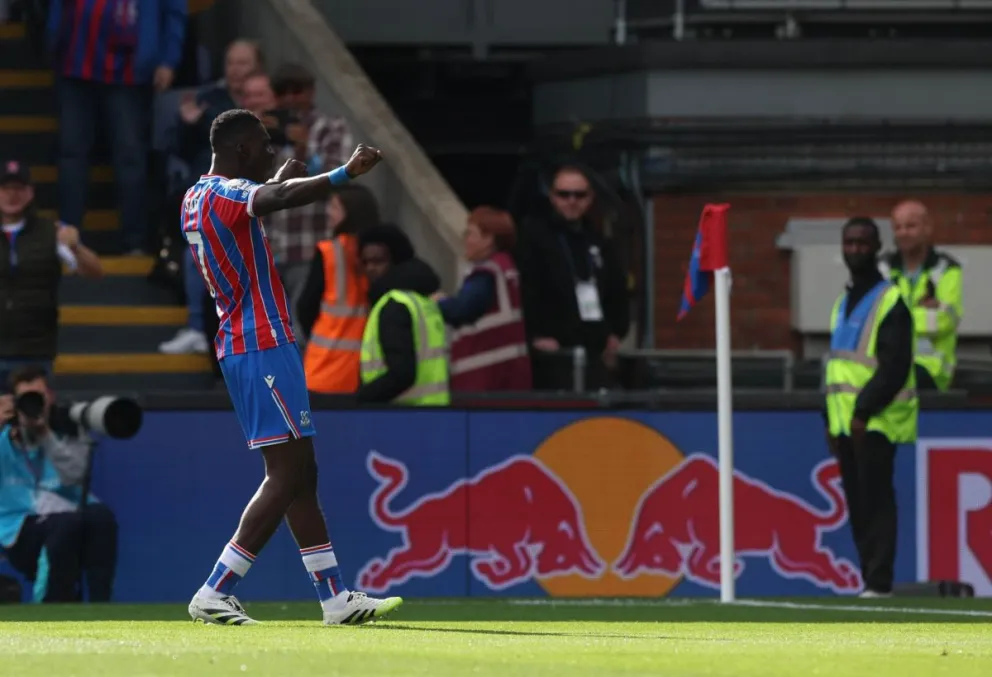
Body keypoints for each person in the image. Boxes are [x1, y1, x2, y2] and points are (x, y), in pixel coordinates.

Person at [181, 109, 401, 625]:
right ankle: (214, 589)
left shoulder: (195, 195)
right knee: (284, 474)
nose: (270, 153)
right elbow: (270, 199)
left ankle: (333, 599)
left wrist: (276, 182)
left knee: (303, 473)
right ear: (238, 151)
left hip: (249, 344)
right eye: (262, 146)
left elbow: (256, 206)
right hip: (261, 344)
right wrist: (344, 173)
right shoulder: (225, 192)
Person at [824, 217, 918, 598]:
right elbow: (835, 367)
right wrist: (831, 421)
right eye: (849, 242)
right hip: (846, 423)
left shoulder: (890, 300)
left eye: (863, 242)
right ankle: (869, 580)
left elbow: (895, 365)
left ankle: (879, 582)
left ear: (877, 247)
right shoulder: (842, 303)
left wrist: (863, 412)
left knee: (876, 499)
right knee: (858, 503)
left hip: (877, 421)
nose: (855, 249)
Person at [46, 0, 187, 255]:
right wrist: (52, 35)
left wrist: (168, 59)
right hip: (75, 61)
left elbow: (174, 10)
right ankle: (67, 237)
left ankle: (134, 241)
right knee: (71, 153)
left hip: (130, 71)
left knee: (130, 156)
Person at [0, 366, 118, 603]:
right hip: (18, 524)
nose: (33, 405)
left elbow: (75, 476)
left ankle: (101, 606)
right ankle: (49, 606)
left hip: (69, 515)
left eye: (38, 397)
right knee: (65, 525)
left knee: (102, 517)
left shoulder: (69, 428)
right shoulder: (4, 437)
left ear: (50, 397)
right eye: (26, 399)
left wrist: (46, 435)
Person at [516, 164, 629, 391]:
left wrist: (615, 332)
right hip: (553, 355)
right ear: (552, 197)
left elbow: (617, 290)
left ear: (590, 198)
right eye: (564, 194)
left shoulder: (598, 241)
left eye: (579, 195)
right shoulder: (534, 238)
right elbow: (524, 290)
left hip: (595, 351)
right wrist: (534, 335)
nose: (571, 201)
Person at [0, 160, 102, 387]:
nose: (12, 195)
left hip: (34, 352)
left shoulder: (51, 232)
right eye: (6, 189)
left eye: (19, 189)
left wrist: (76, 247)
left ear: (30, 193)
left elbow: (94, 272)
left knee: (32, 419)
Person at [435, 207, 531, 391]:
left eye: (470, 234)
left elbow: (462, 310)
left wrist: (438, 303)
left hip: (484, 381)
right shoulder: (505, 268)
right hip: (507, 377)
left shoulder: (485, 274)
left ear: (488, 239)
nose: (466, 240)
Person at [299, 185, 381, 394]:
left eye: (335, 207)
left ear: (350, 213)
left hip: (324, 366)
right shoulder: (381, 253)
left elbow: (305, 306)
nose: (329, 213)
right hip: (368, 369)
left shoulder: (329, 251)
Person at [356, 224, 449, 405]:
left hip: (402, 415)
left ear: (395, 262)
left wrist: (361, 399)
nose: (370, 269)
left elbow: (402, 374)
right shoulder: (421, 300)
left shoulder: (394, 304)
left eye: (378, 261)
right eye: (365, 262)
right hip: (433, 411)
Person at [881, 200, 963, 391]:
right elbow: (872, 318)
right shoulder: (882, 268)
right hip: (887, 364)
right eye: (898, 227)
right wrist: (921, 313)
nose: (903, 233)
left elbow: (945, 320)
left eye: (911, 226)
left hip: (931, 369)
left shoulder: (947, 269)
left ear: (927, 228)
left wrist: (895, 317)